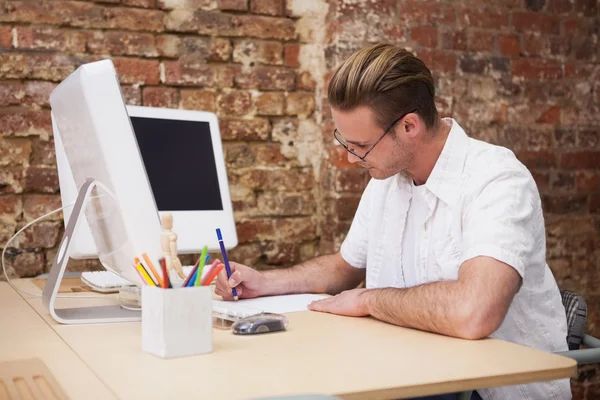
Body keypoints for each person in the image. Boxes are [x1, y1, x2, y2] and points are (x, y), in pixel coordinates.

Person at [216, 43, 570, 400]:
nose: (352, 158)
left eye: (361, 145)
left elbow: (473, 312)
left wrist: (369, 300)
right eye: (345, 142)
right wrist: (264, 282)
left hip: (492, 388)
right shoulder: (387, 180)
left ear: (409, 126)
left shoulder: (496, 179)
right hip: (410, 372)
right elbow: (343, 267)